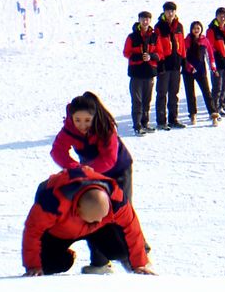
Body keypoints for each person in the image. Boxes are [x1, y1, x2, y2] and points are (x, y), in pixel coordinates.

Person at [22, 167, 156, 276]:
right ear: (78, 208)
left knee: (122, 249)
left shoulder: (116, 199)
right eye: (93, 220)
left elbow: (132, 228)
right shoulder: (53, 202)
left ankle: (103, 253)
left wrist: (140, 263)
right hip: (60, 232)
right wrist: (33, 266)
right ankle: (67, 256)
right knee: (50, 265)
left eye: (102, 218)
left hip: (98, 232)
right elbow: (33, 231)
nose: (98, 222)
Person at [50, 92, 134, 202]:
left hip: (118, 171)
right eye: (78, 120)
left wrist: (86, 171)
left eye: (87, 120)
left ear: (94, 117)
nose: (82, 125)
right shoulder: (69, 129)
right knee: (92, 206)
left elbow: (109, 158)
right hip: (90, 173)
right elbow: (58, 151)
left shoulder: (105, 128)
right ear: (71, 117)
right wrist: (76, 168)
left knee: (120, 206)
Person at [123, 11, 161, 136]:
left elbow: (160, 53)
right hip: (136, 73)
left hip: (149, 73)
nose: (145, 21)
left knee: (147, 100)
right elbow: (126, 53)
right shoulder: (132, 36)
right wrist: (140, 57)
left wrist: (151, 57)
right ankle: (137, 125)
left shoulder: (155, 36)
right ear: (139, 20)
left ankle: (145, 123)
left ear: (150, 21)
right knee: (137, 101)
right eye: (143, 19)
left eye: (147, 19)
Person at [154, 1, 187, 130]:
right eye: (168, 11)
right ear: (164, 12)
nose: (170, 13)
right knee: (162, 93)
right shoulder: (159, 27)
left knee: (174, 93)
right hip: (164, 65)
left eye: (172, 11)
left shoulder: (179, 26)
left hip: (176, 64)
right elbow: (157, 46)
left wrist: (183, 59)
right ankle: (161, 121)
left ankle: (174, 119)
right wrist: (160, 63)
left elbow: (182, 44)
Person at [183, 21, 221, 127]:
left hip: (200, 70)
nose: (196, 30)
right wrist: (189, 67)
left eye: (198, 28)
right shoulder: (187, 41)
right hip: (188, 71)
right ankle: (192, 113)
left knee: (206, 92)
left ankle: (213, 113)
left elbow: (210, 56)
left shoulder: (205, 41)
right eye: (194, 28)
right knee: (190, 93)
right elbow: (183, 56)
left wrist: (213, 68)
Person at [207, 7, 225, 117]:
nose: (223, 18)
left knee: (224, 85)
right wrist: (215, 58)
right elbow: (210, 47)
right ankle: (215, 108)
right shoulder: (212, 30)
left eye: (224, 16)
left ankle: (221, 105)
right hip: (218, 62)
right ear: (216, 16)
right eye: (220, 16)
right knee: (217, 87)